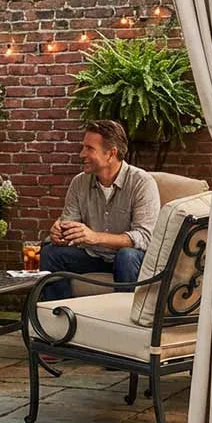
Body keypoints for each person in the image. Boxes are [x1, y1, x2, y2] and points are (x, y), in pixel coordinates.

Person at [40, 120, 160, 302]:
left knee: (126, 256)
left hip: (131, 258)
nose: (82, 154)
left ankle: (123, 321)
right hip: (93, 255)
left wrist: (95, 237)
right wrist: (60, 233)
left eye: (89, 149)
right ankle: (58, 319)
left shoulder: (142, 183)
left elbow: (145, 237)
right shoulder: (79, 183)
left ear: (111, 153)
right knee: (50, 252)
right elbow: (69, 223)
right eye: (83, 148)